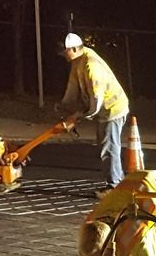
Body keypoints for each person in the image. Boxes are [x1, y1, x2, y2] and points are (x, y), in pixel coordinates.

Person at [56, 32, 130, 187]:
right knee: (106, 146)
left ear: (74, 49)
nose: (63, 55)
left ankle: (115, 186)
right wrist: (64, 108)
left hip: (112, 109)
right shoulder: (78, 61)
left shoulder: (91, 65)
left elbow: (96, 99)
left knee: (109, 148)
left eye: (65, 51)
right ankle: (115, 182)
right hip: (103, 109)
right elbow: (73, 87)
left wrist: (80, 115)